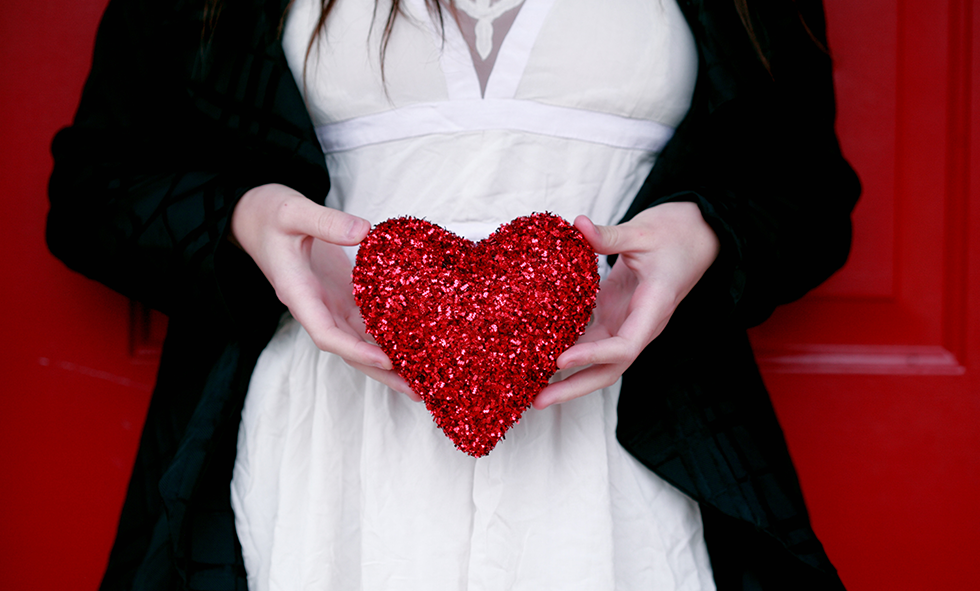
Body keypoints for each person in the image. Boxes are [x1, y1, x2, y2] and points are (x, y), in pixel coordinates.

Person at [47, 0, 860, 589]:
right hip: (320, 444)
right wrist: (243, 223)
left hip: (638, 442)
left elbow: (809, 193)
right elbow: (94, 191)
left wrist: (707, 234)